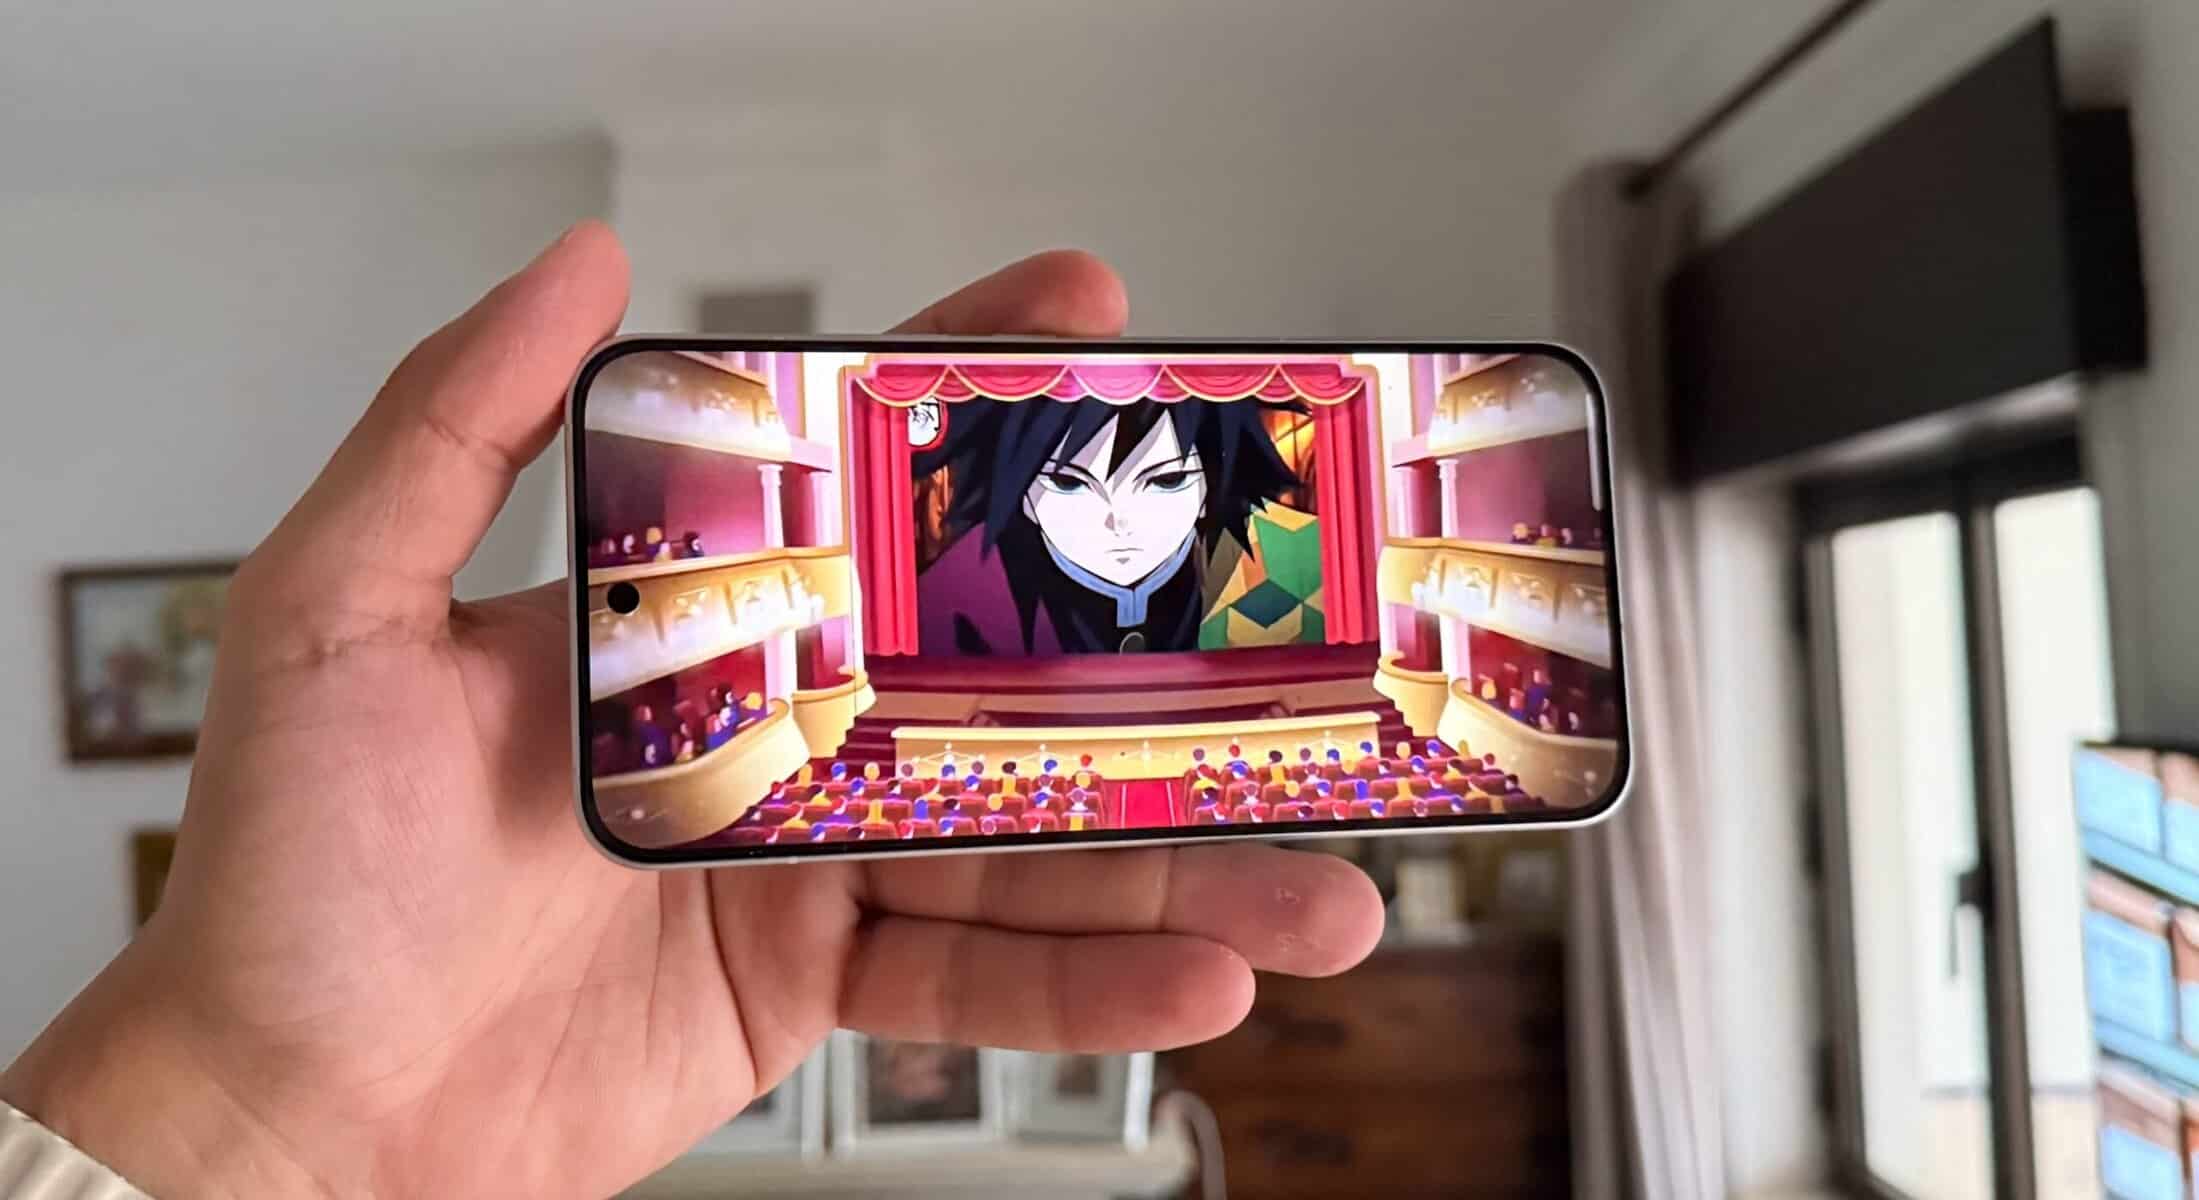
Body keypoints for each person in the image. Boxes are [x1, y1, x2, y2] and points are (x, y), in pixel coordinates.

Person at [0, 227, 1384, 1199]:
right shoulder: (931, 627)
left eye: (1161, 486)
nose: (1115, 525)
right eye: (1069, 489)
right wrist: (255, 1113)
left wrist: (251, 1130)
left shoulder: (1279, 637)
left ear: (1217, 497)